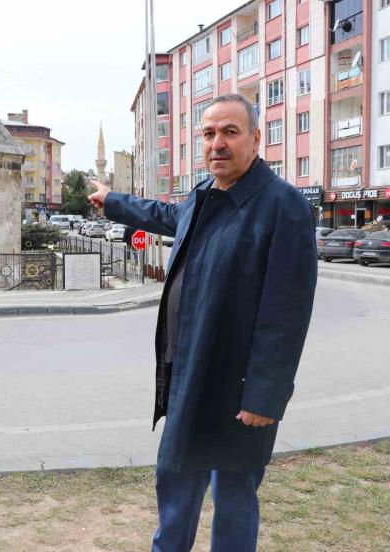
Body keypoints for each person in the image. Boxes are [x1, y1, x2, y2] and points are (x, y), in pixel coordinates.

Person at [88, 94, 317, 552]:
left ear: (255, 138)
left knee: (233, 499)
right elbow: (163, 215)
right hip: (189, 376)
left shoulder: (283, 206)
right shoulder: (202, 196)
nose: (217, 143)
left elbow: (286, 316)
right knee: (174, 482)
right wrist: (113, 201)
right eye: (209, 134)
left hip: (239, 389)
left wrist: (265, 396)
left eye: (230, 132)